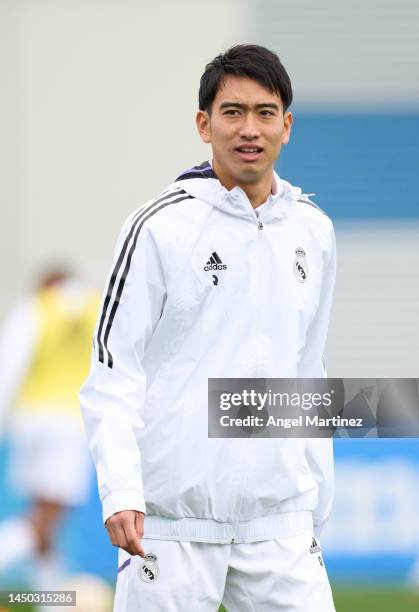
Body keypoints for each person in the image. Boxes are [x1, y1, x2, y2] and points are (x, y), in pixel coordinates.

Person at [80, 44, 337, 611]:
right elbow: (113, 372)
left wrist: (318, 496)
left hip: (279, 522)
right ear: (204, 124)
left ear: (287, 126)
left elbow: (308, 370)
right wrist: (121, 491)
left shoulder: (313, 231)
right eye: (233, 112)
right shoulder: (159, 227)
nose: (250, 129)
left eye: (266, 112)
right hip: (171, 523)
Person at [0, 268, 98, 593]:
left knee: (45, 520)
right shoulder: (96, 309)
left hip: (29, 422)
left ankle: (50, 601)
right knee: (47, 518)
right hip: (69, 426)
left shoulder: (35, 307)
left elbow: (9, 365)